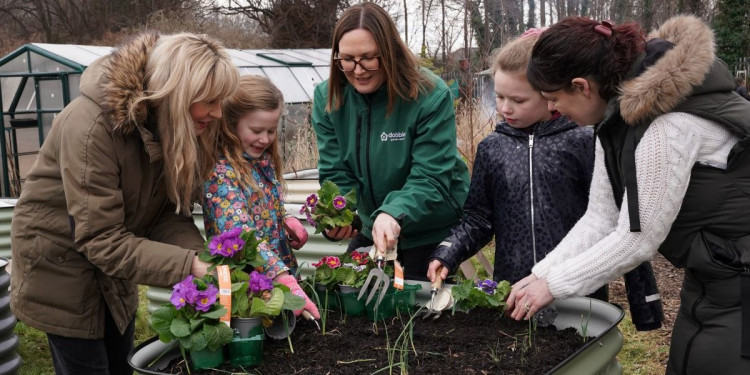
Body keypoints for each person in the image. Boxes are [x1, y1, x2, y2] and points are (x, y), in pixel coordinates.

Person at [506, 16, 750, 374]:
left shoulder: (667, 128)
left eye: (554, 99)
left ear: (582, 86)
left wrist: (554, 286)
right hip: (716, 272)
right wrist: (541, 274)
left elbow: (637, 239)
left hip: (740, 280)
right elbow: (601, 217)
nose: (553, 110)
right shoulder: (616, 119)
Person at [10, 32, 239, 374]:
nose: (218, 113)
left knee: (120, 365)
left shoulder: (166, 125)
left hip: (113, 272)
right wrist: (189, 267)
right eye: (209, 100)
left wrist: (203, 260)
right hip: (60, 269)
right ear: (177, 93)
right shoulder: (90, 128)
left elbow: (165, 214)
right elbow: (100, 239)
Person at [312, 2, 470, 281]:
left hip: (429, 227)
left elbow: (431, 176)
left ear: (390, 52)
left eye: (369, 58)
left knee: (418, 312)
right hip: (375, 226)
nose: (358, 70)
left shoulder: (429, 94)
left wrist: (393, 213)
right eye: (347, 59)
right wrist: (342, 216)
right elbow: (335, 172)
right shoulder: (329, 98)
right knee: (349, 298)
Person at [426, 30, 597, 288]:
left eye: (518, 100)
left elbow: (608, 217)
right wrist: (448, 253)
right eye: (499, 96)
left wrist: (644, 302)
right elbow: (478, 219)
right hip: (512, 289)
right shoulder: (492, 148)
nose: (505, 108)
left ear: (550, 94)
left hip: (576, 287)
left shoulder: (583, 141)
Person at [202, 75, 319, 319]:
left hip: (275, 275)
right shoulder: (220, 173)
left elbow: (262, 207)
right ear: (231, 124)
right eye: (256, 130)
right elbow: (240, 230)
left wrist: (284, 220)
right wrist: (281, 277)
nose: (265, 139)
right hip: (245, 285)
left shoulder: (261, 162)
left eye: (271, 130)